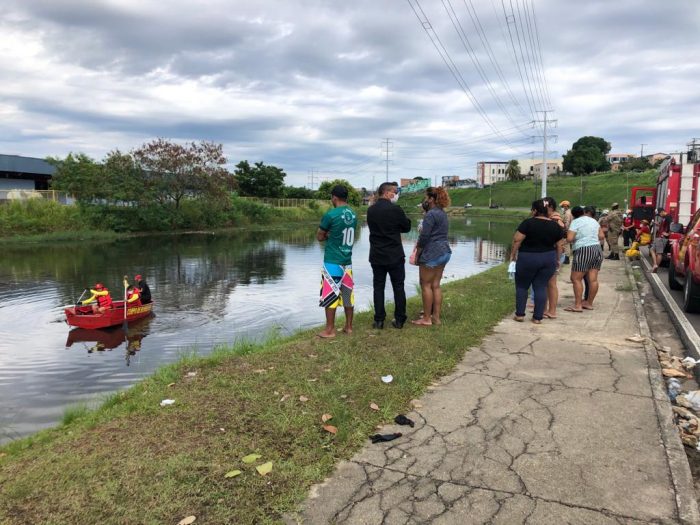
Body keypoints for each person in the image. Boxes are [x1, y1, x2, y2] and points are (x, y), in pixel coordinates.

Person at [510, 199, 565, 324]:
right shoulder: (555, 225)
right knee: (541, 286)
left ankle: (519, 314)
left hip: (527, 258)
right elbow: (560, 245)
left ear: (535, 210)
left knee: (522, 286)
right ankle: (537, 317)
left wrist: (513, 255)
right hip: (548, 258)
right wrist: (557, 259)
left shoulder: (528, 223)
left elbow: (517, 239)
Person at [367, 181, 412, 329]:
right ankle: (399, 320)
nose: (396, 195)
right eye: (394, 192)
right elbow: (406, 227)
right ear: (386, 193)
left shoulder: (371, 210)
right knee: (398, 287)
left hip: (377, 254)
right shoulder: (396, 209)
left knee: (378, 287)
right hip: (394, 255)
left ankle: (379, 320)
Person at [316, 185, 357, 338]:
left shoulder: (331, 214)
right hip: (348, 261)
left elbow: (320, 237)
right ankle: (349, 327)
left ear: (334, 197)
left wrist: (328, 236)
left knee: (330, 295)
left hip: (333, 260)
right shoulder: (353, 214)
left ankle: (330, 330)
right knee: (347, 294)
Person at [411, 186, 452, 326]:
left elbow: (424, 237)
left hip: (432, 252)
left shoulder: (430, 214)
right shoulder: (442, 213)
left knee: (425, 285)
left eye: (427, 197)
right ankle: (436, 317)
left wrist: (418, 253)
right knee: (436, 285)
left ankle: (426, 319)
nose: (425, 200)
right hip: (445, 251)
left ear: (432, 199)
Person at [566, 205, 605, 312]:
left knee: (575, 278)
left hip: (583, 250)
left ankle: (578, 305)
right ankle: (589, 303)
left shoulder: (576, 222)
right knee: (593, 279)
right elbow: (601, 236)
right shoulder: (594, 221)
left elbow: (569, 238)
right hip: (597, 249)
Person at [650, 208, 671, 272]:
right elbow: (663, 226)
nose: (659, 216)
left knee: (659, 253)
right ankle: (655, 265)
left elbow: (671, 226)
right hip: (660, 236)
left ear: (662, 212)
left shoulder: (668, 217)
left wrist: (668, 234)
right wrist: (656, 223)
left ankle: (655, 266)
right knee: (652, 250)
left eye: (659, 214)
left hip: (662, 237)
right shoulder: (664, 218)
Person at [559, 200, 573, 264]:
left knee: (566, 244)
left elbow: (567, 222)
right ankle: (566, 258)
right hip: (569, 229)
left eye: (562, 206)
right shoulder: (568, 212)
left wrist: (565, 230)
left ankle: (566, 258)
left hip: (567, 229)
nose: (562, 207)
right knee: (567, 244)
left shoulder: (567, 213)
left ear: (565, 206)